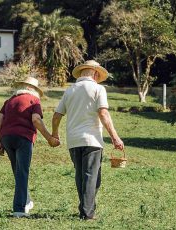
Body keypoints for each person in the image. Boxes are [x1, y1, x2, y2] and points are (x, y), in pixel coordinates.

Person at [51, 60, 124, 220]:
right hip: (92, 140)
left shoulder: (69, 90)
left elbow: (57, 116)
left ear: (82, 73)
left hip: (73, 140)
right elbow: (103, 114)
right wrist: (115, 137)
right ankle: (87, 213)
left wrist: (55, 134)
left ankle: (85, 208)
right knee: (92, 177)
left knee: (81, 175)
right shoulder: (98, 89)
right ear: (96, 74)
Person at [0, 76, 60, 218]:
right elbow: (36, 119)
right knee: (22, 172)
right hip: (23, 138)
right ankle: (19, 209)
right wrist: (49, 137)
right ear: (34, 89)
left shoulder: (9, 101)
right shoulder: (34, 100)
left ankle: (27, 200)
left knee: (18, 171)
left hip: (6, 138)